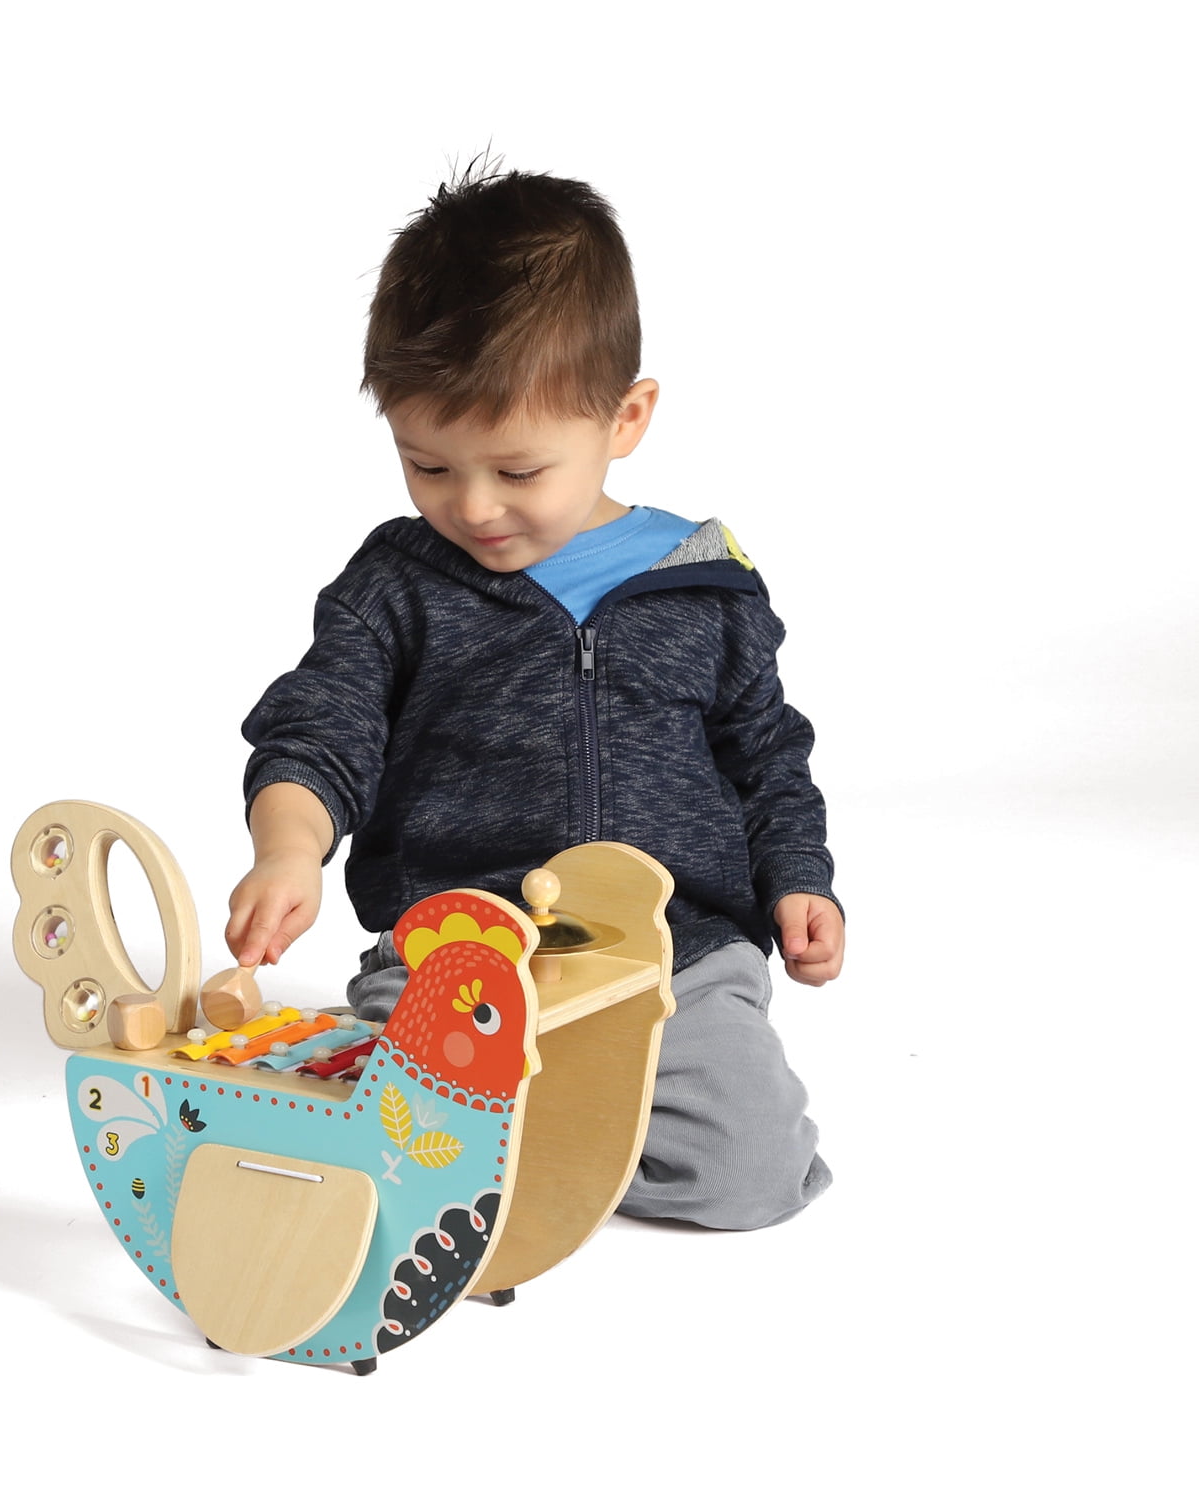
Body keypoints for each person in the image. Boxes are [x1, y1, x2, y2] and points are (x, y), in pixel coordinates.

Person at [226, 163, 843, 1230]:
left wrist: (799, 879)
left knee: (750, 1169)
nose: (473, 507)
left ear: (625, 418)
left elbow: (767, 756)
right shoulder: (398, 585)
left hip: (673, 957)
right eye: (428, 466)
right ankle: (480, 1127)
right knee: (383, 1132)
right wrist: (289, 849)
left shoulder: (706, 586)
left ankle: (528, 1143)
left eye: (517, 472)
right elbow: (319, 727)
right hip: (455, 949)